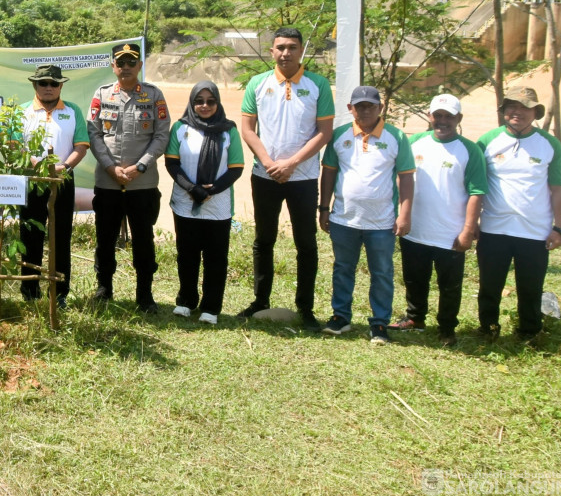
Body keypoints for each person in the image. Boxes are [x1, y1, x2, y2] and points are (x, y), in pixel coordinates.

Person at [238, 26, 334, 331]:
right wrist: (269, 163)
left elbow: (325, 132)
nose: (285, 53)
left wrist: (291, 163)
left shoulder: (318, 84)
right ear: (272, 51)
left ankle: (305, 307)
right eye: (280, 47)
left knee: (305, 243)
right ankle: (260, 301)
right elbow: (248, 129)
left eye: (292, 47)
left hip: (303, 178)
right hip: (264, 175)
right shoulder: (258, 83)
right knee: (263, 239)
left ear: (301, 50)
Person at [318, 86, 415, 344]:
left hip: (382, 222)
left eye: (370, 106)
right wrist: (324, 208)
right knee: (342, 269)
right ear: (350, 109)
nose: (364, 110)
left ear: (380, 108)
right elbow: (328, 173)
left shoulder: (396, 137)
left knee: (382, 272)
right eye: (359, 106)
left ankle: (380, 324)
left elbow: (406, 178)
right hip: (344, 219)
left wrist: (404, 214)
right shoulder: (340, 135)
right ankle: (341, 317)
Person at [389, 94, 486, 346]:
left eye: (449, 116)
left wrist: (467, 230)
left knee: (449, 286)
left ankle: (446, 328)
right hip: (415, 229)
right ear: (429, 116)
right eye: (438, 115)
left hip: (450, 234)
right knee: (414, 278)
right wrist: (400, 215)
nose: (442, 121)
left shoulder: (469, 150)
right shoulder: (414, 143)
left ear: (459, 119)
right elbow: (400, 180)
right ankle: (415, 318)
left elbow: (476, 193)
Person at [475, 87, 561, 340]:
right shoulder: (487, 141)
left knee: (530, 287)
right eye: (511, 106)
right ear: (504, 111)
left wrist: (559, 228)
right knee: (489, 285)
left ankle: (529, 332)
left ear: (535, 112)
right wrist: (471, 222)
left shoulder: (548, 144)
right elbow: (475, 186)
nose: (517, 111)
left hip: (535, 231)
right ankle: (488, 328)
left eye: (525, 107)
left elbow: (560, 189)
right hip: (494, 228)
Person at [87, 42, 171, 313]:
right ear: (113, 66)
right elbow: (94, 134)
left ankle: (144, 295)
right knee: (105, 238)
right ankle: (104, 288)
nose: (125, 68)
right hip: (108, 182)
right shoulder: (101, 94)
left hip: (142, 184)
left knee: (144, 239)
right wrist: (111, 168)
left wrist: (141, 167)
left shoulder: (153, 95)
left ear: (139, 65)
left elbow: (161, 135)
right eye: (120, 63)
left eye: (130, 62)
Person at [163, 81, 244, 325]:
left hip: (218, 205)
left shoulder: (229, 130)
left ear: (217, 103)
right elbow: (172, 163)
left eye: (210, 100)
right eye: (199, 101)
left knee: (216, 257)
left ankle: (211, 307)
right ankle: (186, 301)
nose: (205, 105)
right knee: (187, 255)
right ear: (192, 102)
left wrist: (213, 190)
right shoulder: (180, 127)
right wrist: (193, 189)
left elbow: (236, 167)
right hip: (185, 202)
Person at [18, 64, 88, 309]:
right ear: (34, 85)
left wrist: (65, 167)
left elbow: (81, 146)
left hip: (63, 181)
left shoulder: (73, 110)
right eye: (43, 83)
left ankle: (59, 293)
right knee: (30, 236)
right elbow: (15, 146)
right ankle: (29, 289)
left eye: (53, 83)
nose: (48, 87)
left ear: (61, 85)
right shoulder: (21, 112)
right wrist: (35, 163)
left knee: (61, 237)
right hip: (31, 182)